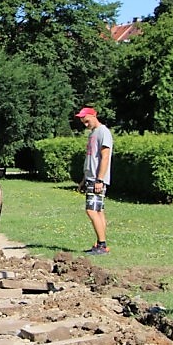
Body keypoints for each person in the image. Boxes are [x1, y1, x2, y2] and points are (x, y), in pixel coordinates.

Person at [75, 106, 113, 255]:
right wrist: (84, 179)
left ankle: (102, 246)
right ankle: (100, 243)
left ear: (93, 116)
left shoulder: (103, 132)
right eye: (83, 122)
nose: (86, 125)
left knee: (91, 210)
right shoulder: (93, 133)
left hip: (97, 179)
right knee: (99, 211)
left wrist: (99, 179)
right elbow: (91, 159)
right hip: (90, 178)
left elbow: (105, 157)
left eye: (87, 121)